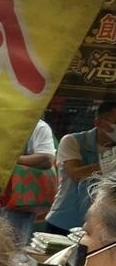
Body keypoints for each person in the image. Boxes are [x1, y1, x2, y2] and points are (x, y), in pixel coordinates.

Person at [47, 100, 116, 233]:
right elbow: (76, 174)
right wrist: (110, 161)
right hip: (65, 220)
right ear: (99, 123)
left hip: (102, 226)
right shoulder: (73, 141)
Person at [0, 119, 57, 246]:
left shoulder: (38, 126)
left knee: (12, 246)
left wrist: (12, 160)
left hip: (19, 200)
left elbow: (47, 159)